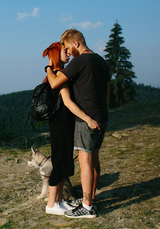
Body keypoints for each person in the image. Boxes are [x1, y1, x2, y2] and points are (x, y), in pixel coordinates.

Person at [46, 29, 110, 219]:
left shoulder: (81, 60)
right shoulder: (101, 61)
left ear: (75, 44)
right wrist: (101, 112)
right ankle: (91, 199)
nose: (67, 52)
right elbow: (107, 92)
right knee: (95, 160)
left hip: (86, 119)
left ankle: (87, 206)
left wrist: (49, 68)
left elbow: (56, 83)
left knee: (85, 162)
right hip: (102, 116)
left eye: (66, 47)